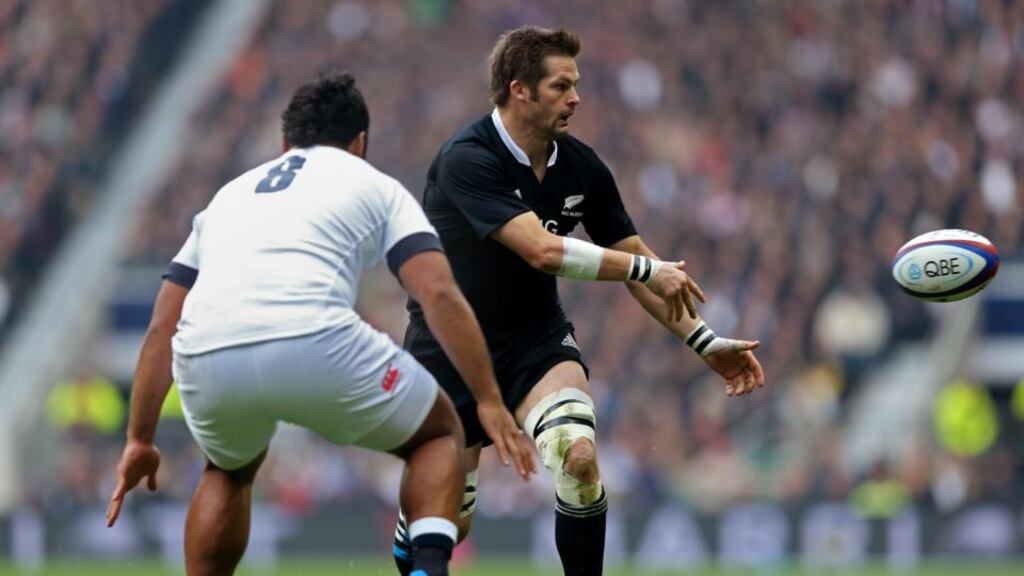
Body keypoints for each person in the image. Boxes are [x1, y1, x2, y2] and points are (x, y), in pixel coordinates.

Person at [105, 73, 535, 576]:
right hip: (312, 338)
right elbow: (437, 291)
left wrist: (140, 438)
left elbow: (163, 325)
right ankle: (430, 568)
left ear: (284, 143)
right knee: (439, 434)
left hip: (208, 355)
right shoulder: (375, 184)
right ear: (360, 144)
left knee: (226, 470)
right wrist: (487, 398)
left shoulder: (227, 196)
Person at [391, 26, 766, 575]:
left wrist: (704, 341)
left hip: (535, 341)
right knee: (448, 522)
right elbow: (543, 251)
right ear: (520, 90)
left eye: (576, 84)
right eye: (561, 86)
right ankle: (415, 530)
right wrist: (646, 268)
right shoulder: (466, 158)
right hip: (449, 348)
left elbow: (642, 267)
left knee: (580, 458)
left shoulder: (582, 166)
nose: (576, 98)